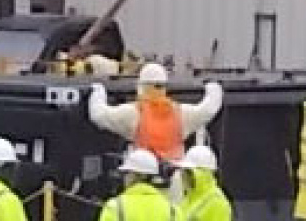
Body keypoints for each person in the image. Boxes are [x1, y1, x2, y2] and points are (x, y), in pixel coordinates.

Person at [88, 63, 223, 162]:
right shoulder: (180, 113)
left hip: (142, 174)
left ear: (140, 86)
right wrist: (213, 87)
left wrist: (98, 91)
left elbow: (99, 115)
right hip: (173, 179)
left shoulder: (132, 113)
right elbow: (208, 109)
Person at [176, 145, 233, 221]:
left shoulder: (217, 202)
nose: (183, 176)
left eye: (187, 172)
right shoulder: (189, 199)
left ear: (201, 174)